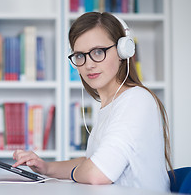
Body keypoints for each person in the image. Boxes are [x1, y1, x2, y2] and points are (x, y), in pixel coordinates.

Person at [12, 12, 172, 192]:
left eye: (98, 52)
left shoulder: (136, 100)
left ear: (122, 51)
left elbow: (97, 173)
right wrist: (46, 167)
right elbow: (91, 162)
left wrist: (79, 172)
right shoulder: (110, 105)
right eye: (80, 55)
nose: (88, 64)